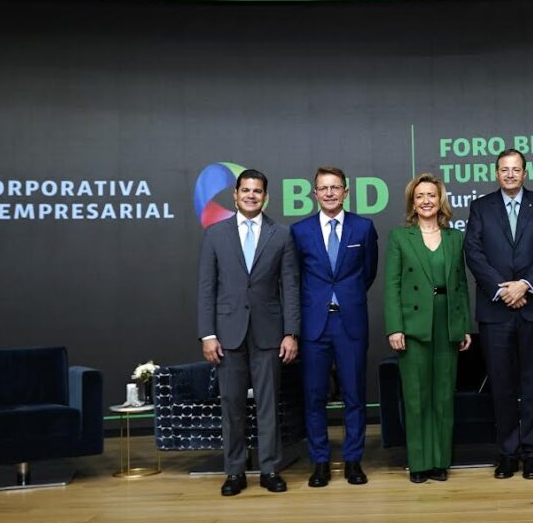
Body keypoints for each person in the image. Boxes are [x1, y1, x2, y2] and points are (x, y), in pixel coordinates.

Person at [197, 168, 300, 496]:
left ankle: (270, 469)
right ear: (235, 195)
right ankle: (235, 472)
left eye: (258, 191)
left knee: (269, 406)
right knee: (232, 406)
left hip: (270, 334)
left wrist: (291, 332)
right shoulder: (215, 234)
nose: (251, 195)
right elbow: (206, 288)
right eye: (246, 190)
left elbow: (291, 287)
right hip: (227, 335)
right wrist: (207, 334)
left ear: (265, 196)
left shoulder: (281, 234)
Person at [464, 149, 533, 480]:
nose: (509, 174)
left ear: (524, 173)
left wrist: (524, 285)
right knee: (502, 385)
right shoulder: (480, 207)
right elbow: (473, 252)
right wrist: (503, 289)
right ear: (496, 173)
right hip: (495, 309)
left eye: (515, 169)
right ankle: (508, 452)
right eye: (504, 170)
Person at [290, 166, 378, 487]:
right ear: (314, 193)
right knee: (314, 397)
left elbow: (367, 274)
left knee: (355, 395)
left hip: (350, 323)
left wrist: (346, 298)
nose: (329, 193)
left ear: (346, 192)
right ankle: (321, 462)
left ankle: (353, 460)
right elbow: (296, 278)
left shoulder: (363, 228)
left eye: (335, 187)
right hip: (315, 326)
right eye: (323, 188)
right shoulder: (299, 231)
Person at [383, 173, 473, 483]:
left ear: (440, 200)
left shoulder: (454, 238)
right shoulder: (399, 236)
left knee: (443, 396)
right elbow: (392, 285)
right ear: (412, 201)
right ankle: (419, 462)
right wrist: (395, 327)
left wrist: (464, 327)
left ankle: (439, 461)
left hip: (446, 322)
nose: (426, 201)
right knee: (416, 396)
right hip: (413, 325)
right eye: (420, 196)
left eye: (431, 195)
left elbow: (460, 285)